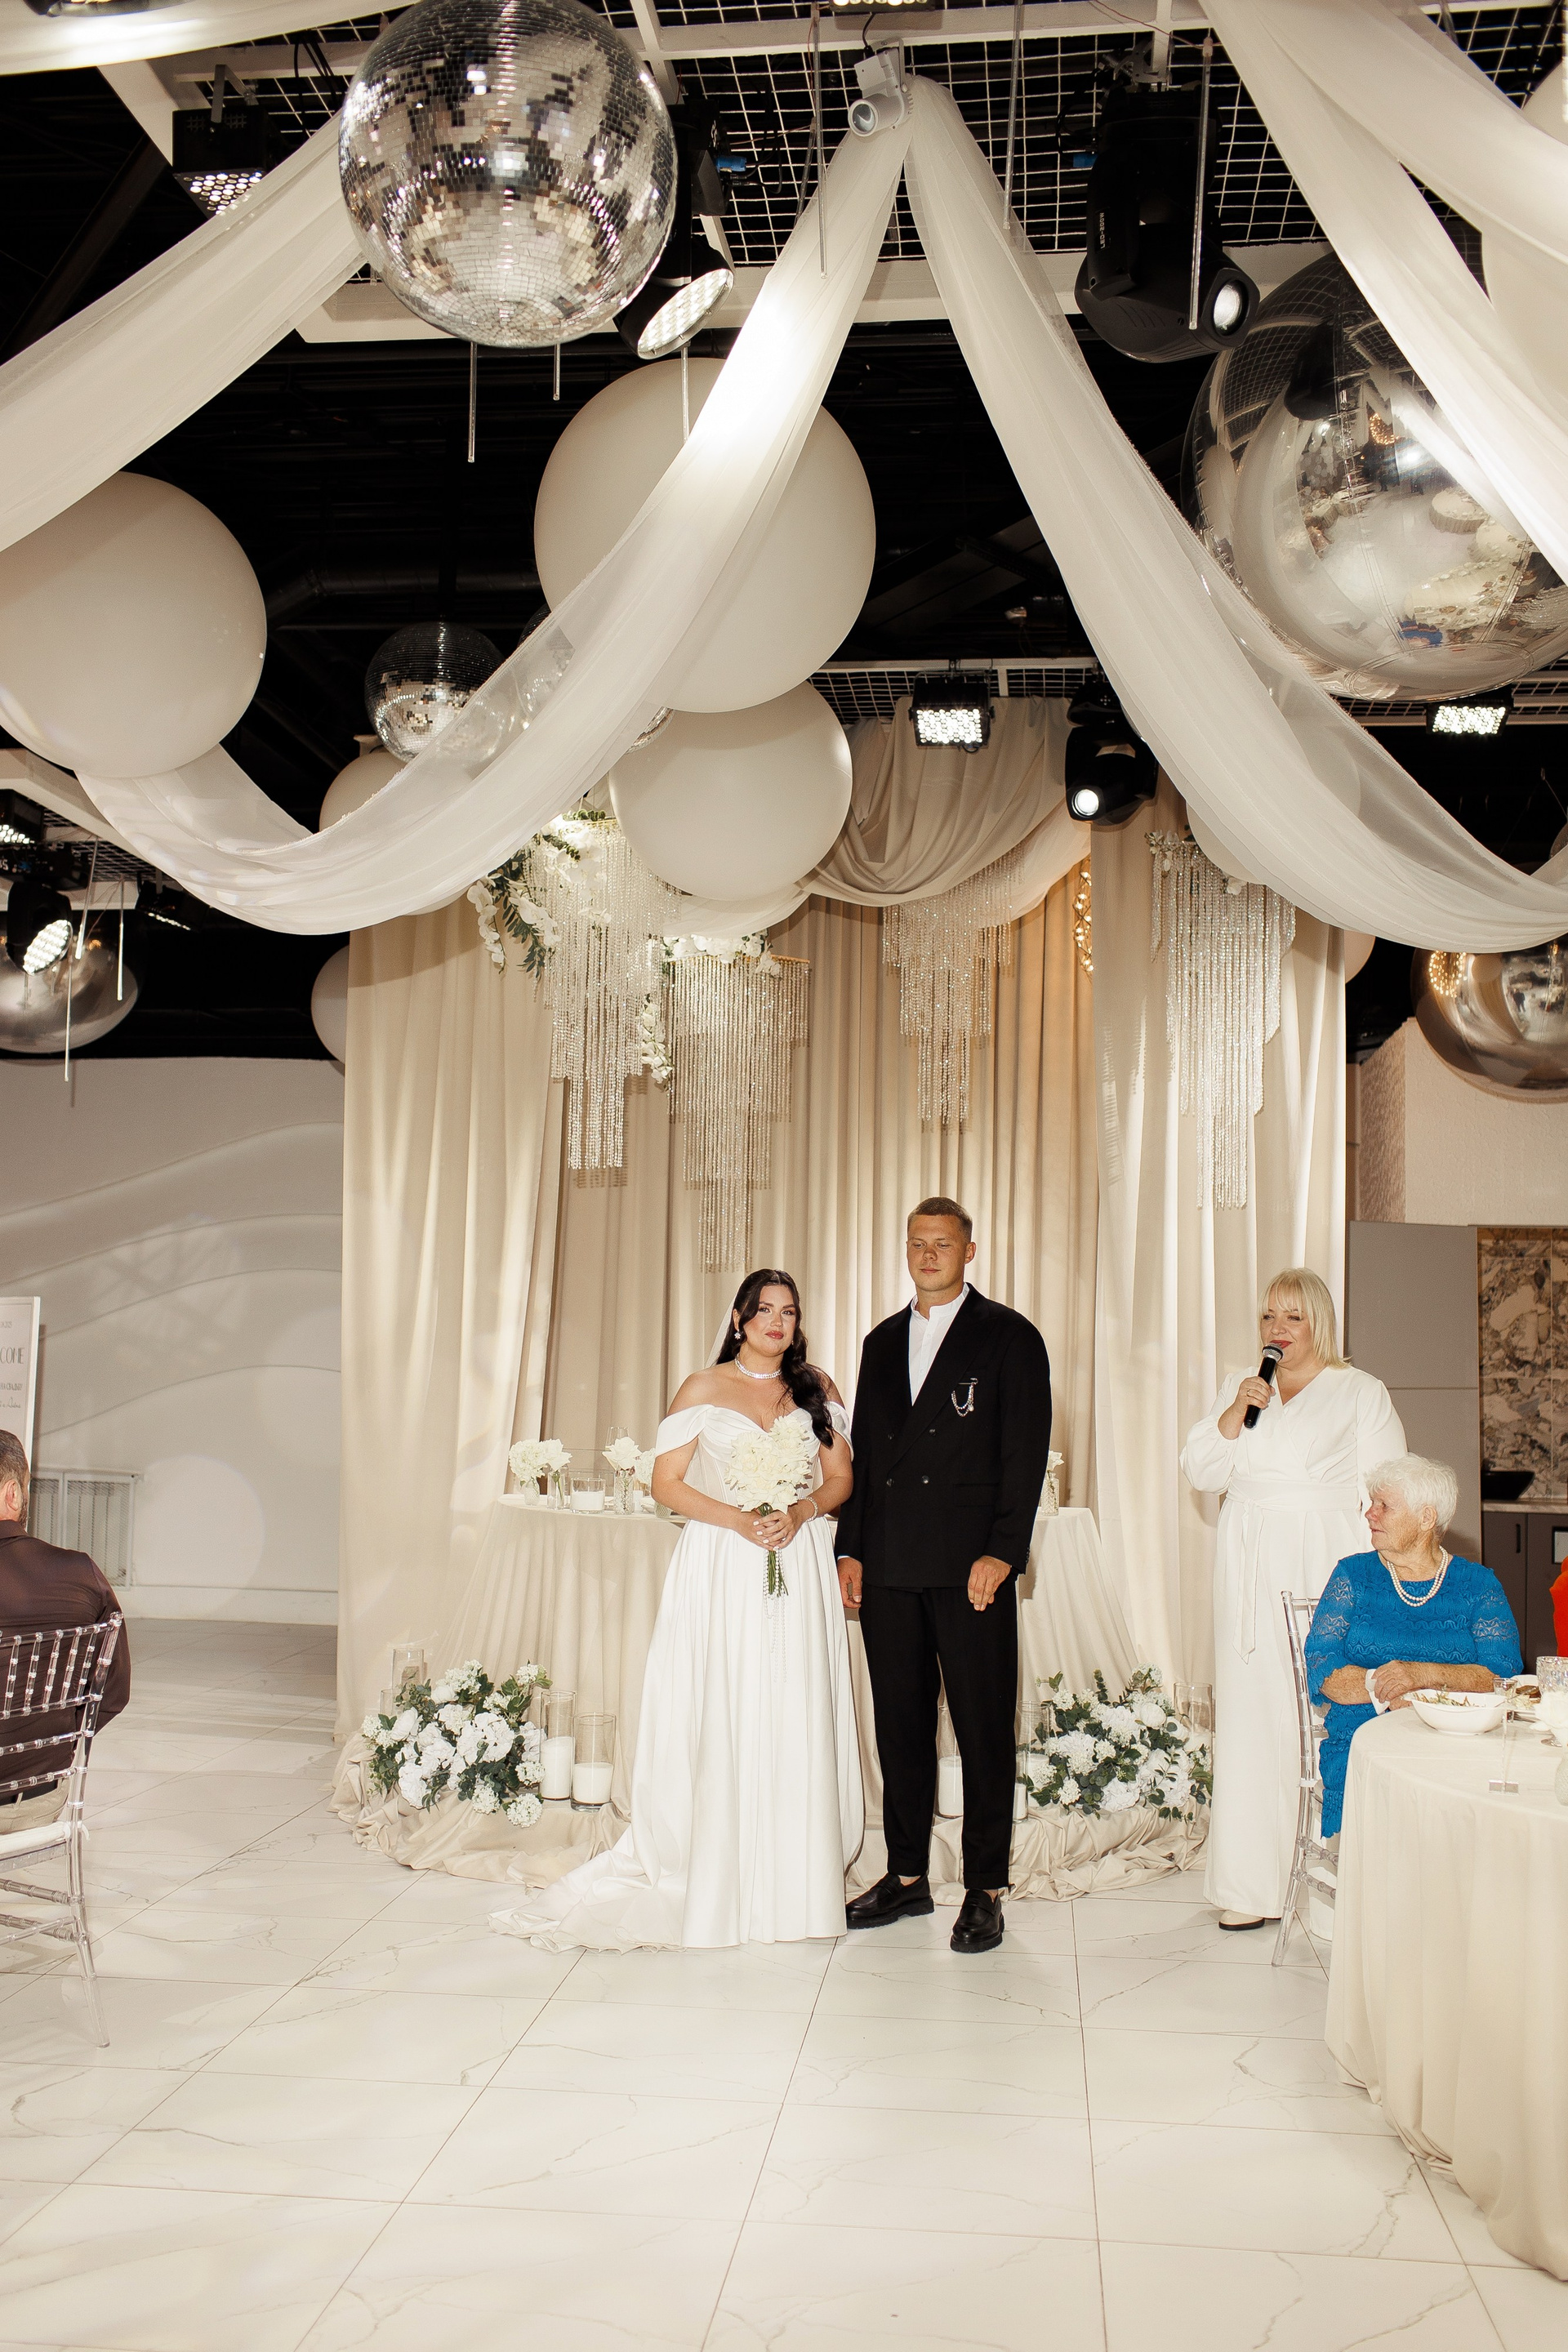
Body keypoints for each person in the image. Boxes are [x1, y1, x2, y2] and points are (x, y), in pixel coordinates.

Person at [492, 1270, 860, 1951]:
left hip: (799, 1557)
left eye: (788, 1312)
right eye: (764, 1310)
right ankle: (715, 1859)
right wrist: (741, 1520)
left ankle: (795, 1871)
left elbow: (841, 1478)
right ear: (738, 1318)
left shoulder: (817, 1388)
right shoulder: (703, 1388)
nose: (777, 1323)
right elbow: (666, 1484)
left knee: (792, 1697)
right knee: (727, 1696)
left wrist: (802, 1510)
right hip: (723, 1560)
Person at [835, 1196, 1052, 1957]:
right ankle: (906, 1876)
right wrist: (851, 1548)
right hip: (890, 1564)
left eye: (943, 1244)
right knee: (899, 1726)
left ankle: (985, 1888)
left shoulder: (1010, 1337)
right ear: (906, 1250)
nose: (929, 1255)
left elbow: (1024, 1455)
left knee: (983, 1726)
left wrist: (1004, 1551)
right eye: (917, 1244)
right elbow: (865, 1456)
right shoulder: (880, 1341)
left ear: (969, 1252)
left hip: (971, 1568)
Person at [1180, 1268, 1403, 1932]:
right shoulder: (1243, 1386)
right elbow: (1201, 1470)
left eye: (1293, 1317)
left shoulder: (1360, 1390)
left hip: (1323, 1561)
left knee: (1323, 1712)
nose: (1277, 1329)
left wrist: (1376, 1585)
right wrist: (1234, 1411)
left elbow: (1386, 1490)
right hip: (1249, 1564)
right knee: (1252, 1716)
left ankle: (1335, 1889)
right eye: (1269, 1317)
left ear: (1319, 1323)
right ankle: (1253, 1885)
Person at [1306, 1454, 1521, 1836]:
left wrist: (1420, 1679)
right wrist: (1386, 1689)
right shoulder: (1353, 1575)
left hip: (1458, 1742)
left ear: (1426, 1518)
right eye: (1372, 1503)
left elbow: (1501, 1675)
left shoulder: (1478, 1586)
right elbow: (1323, 1667)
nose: (1370, 1514)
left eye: (1384, 1506)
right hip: (1365, 1739)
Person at [0, 1432, 131, 1827]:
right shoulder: (80, 1574)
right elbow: (112, 1693)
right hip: (36, 1798)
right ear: (14, 1494)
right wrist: (49, 1740)